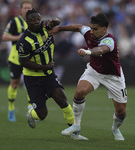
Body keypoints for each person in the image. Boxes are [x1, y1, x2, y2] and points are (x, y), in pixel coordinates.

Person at [49, 13, 127, 141]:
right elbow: (78, 27)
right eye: (91, 27)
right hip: (94, 71)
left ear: (104, 29)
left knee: (121, 112)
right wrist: (60, 28)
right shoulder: (89, 33)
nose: (92, 31)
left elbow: (101, 50)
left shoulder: (109, 40)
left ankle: (115, 129)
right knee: (79, 92)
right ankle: (76, 126)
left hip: (113, 77)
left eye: (95, 29)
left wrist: (88, 52)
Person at [16, 9, 87, 140]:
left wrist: (54, 20)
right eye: (33, 20)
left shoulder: (45, 26)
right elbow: (24, 62)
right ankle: (31, 113)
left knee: (62, 99)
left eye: (38, 19)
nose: (37, 22)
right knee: (42, 115)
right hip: (33, 79)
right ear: (27, 22)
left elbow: (57, 22)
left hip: (49, 75)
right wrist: (44, 66)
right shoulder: (24, 41)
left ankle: (74, 133)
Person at [2, 0, 33, 122]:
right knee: (14, 84)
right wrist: (17, 37)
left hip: (29, 58)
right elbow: (4, 37)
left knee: (30, 84)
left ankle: (30, 110)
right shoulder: (15, 22)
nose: (27, 10)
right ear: (20, 9)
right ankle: (11, 109)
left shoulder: (34, 22)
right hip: (15, 58)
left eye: (29, 8)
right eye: (25, 7)